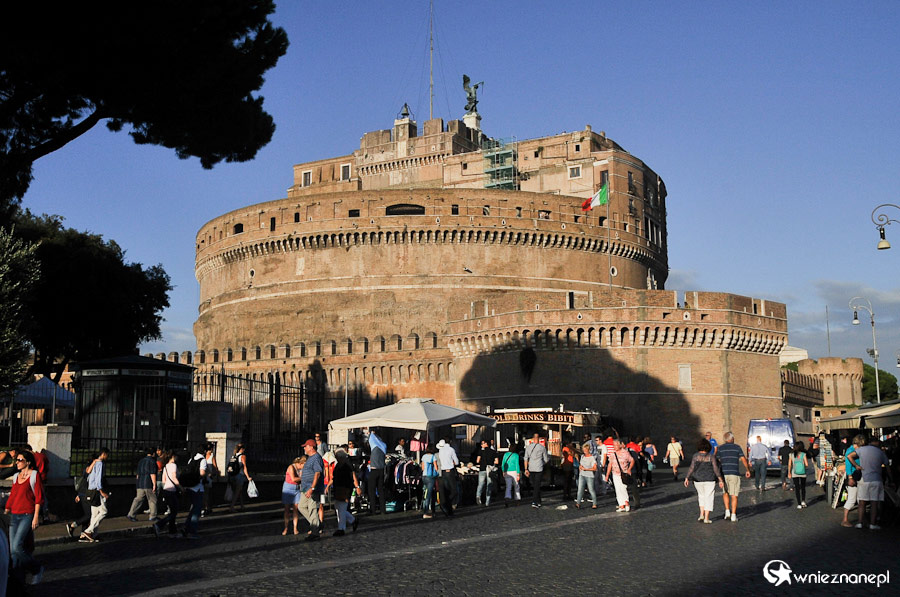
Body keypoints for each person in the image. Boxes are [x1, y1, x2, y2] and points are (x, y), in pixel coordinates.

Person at [3, 449, 45, 585]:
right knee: (13, 552)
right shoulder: (16, 476)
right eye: (17, 460)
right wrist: (7, 510)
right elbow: (13, 494)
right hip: (15, 514)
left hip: (27, 515)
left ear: (28, 462)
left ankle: (37, 568)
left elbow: (39, 498)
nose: (17, 462)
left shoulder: (34, 476)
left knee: (17, 547)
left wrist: (36, 517)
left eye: (20, 460)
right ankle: (18, 580)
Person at [848, 436, 894, 530]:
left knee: (862, 502)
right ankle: (872, 524)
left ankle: (860, 522)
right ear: (877, 442)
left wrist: (856, 465)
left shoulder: (862, 450)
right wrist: (891, 479)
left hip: (864, 479)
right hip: (877, 479)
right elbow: (887, 467)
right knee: (874, 503)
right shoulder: (881, 452)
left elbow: (849, 456)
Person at [683, 438, 724, 523]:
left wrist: (687, 477)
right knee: (708, 497)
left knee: (701, 496)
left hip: (697, 479)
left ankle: (701, 515)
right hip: (709, 479)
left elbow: (691, 467)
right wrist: (720, 479)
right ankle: (706, 518)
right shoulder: (711, 456)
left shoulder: (695, 456)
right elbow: (716, 469)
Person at [716, 431, 751, 522]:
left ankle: (727, 511)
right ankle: (733, 515)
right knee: (734, 494)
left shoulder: (720, 448)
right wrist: (747, 470)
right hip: (734, 473)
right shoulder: (737, 447)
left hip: (724, 473)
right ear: (731, 439)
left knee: (725, 492)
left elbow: (718, 460)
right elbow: (743, 459)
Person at [81, 447, 110, 543]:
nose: (107, 457)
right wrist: (102, 491)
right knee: (103, 512)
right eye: (107, 455)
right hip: (96, 491)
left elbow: (88, 474)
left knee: (94, 514)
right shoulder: (100, 463)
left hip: (90, 490)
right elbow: (98, 479)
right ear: (104, 454)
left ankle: (93, 534)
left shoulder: (94, 463)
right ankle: (89, 531)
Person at [331, 448, 360, 536]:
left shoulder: (347, 467)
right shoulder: (338, 466)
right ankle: (353, 520)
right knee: (338, 508)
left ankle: (341, 528)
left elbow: (350, 479)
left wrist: (354, 489)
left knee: (342, 509)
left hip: (345, 489)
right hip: (338, 489)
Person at [299, 439, 324, 540]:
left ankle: (315, 532)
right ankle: (316, 526)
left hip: (312, 489)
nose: (304, 448)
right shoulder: (310, 458)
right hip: (305, 488)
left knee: (312, 509)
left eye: (306, 446)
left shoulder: (316, 458)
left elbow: (317, 473)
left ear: (311, 447)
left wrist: (312, 488)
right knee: (301, 506)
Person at [182, 444, 208, 539]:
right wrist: (205, 476)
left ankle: (186, 527)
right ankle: (192, 531)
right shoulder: (203, 460)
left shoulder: (192, 459)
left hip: (189, 487)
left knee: (192, 509)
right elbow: (202, 473)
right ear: (204, 451)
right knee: (196, 510)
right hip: (197, 487)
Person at [153, 451, 182, 537]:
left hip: (166, 490)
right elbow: (174, 478)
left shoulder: (165, 466)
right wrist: (180, 487)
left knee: (172, 511)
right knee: (174, 512)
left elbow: (163, 480)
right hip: (172, 490)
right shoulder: (173, 465)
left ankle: (172, 531)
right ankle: (159, 524)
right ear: (173, 456)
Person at [127, 447, 158, 522]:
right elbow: (152, 473)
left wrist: (138, 482)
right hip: (148, 483)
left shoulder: (141, 461)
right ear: (153, 453)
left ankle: (131, 514)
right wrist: (154, 484)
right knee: (152, 500)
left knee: (138, 499)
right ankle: (152, 516)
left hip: (140, 483)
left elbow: (138, 474)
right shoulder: (152, 461)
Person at [606, 438, 634, 513]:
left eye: (615, 445)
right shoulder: (612, 453)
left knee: (623, 487)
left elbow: (632, 460)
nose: (614, 446)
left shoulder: (625, 453)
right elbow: (610, 464)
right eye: (613, 445)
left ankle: (626, 502)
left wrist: (629, 469)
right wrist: (607, 475)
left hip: (623, 473)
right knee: (617, 489)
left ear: (620, 445)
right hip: (615, 473)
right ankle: (621, 505)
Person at [524, 433, 550, 509]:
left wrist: (526, 469)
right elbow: (545, 459)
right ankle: (535, 501)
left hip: (531, 468)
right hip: (539, 468)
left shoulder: (528, 448)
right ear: (538, 439)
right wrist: (544, 462)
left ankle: (538, 501)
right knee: (537, 485)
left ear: (532, 439)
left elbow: (526, 458)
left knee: (534, 485)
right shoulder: (542, 448)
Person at [841, 435, 861, 528]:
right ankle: (845, 519)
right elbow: (848, 466)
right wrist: (850, 477)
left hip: (855, 475)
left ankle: (861, 519)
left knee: (859, 499)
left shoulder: (852, 449)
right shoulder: (850, 451)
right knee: (852, 499)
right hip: (854, 475)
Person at [437, 438, 460, 516]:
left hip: (443, 471)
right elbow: (456, 462)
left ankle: (448, 510)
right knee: (454, 491)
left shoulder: (441, 451)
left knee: (447, 491)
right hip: (450, 471)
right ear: (450, 441)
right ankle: (446, 504)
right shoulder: (451, 450)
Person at [366, 429, 387, 515]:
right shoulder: (384, 445)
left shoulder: (374, 444)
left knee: (371, 490)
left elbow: (372, 437)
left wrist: (370, 433)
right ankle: (383, 510)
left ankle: (373, 509)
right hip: (381, 470)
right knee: (381, 490)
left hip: (374, 470)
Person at [282, 456, 304, 535]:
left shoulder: (301, 469)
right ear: (300, 463)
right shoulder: (291, 467)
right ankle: (286, 528)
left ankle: (295, 528)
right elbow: (294, 479)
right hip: (288, 488)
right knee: (287, 509)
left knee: (296, 509)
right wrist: (303, 477)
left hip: (297, 488)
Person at [227, 443, 251, 512]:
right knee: (237, 492)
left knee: (239, 491)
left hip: (232, 475)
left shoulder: (233, 456)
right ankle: (232, 507)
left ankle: (242, 506)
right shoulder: (242, 456)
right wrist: (248, 476)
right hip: (239, 475)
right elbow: (244, 467)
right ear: (242, 449)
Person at [475, 439, 498, 506]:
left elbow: (477, 460)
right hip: (490, 470)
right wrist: (491, 462)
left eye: (482, 443)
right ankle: (487, 501)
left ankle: (478, 496)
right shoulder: (493, 452)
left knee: (480, 484)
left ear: (486, 444)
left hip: (482, 469)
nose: (481, 445)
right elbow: (497, 461)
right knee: (489, 485)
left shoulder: (481, 451)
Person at [576, 442, 598, 509]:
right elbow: (581, 464)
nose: (584, 451)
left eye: (585, 450)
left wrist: (586, 469)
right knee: (580, 489)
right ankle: (578, 503)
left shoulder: (592, 458)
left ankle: (594, 503)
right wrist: (580, 467)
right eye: (583, 450)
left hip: (589, 476)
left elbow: (595, 468)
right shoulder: (582, 456)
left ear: (588, 450)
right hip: (582, 474)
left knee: (591, 490)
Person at [788, 441, 809, 508]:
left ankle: (799, 504)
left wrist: (789, 473)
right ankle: (803, 501)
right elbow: (806, 464)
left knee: (797, 488)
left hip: (794, 473)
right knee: (803, 488)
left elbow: (789, 465)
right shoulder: (803, 454)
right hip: (803, 473)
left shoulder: (791, 455)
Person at [421, 445, 440, 518]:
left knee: (427, 493)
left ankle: (429, 510)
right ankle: (426, 512)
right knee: (430, 494)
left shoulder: (424, 456)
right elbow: (436, 467)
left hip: (424, 476)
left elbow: (422, 467)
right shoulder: (433, 456)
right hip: (431, 476)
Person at [202, 442, 218, 517]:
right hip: (209, 476)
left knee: (204, 493)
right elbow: (215, 467)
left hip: (204, 476)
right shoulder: (212, 456)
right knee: (207, 493)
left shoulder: (203, 456)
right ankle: (207, 507)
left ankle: (205, 507)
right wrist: (214, 474)